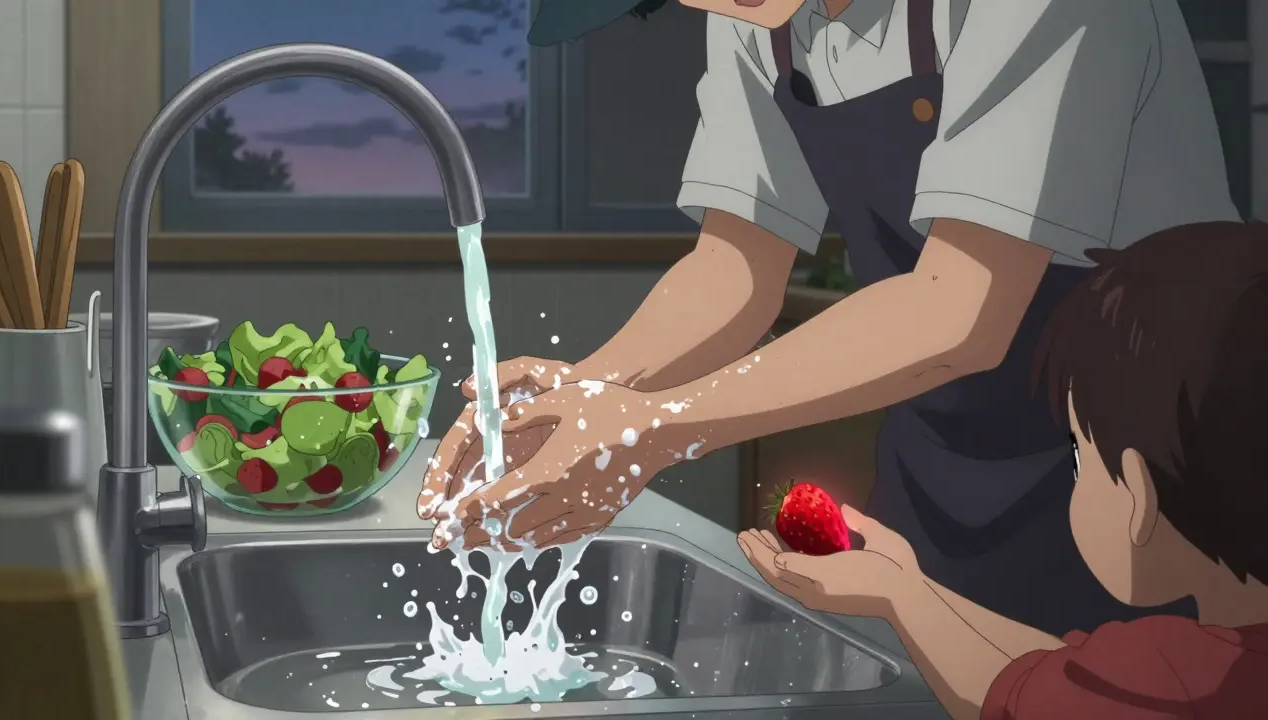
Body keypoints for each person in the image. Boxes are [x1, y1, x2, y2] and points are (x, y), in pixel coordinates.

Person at [420, 0, 1240, 637]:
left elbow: (962, 307)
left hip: (1149, 473)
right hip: (942, 458)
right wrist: (586, 396)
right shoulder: (757, 16)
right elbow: (736, 264)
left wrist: (649, 429)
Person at [738, 220, 1268, 719]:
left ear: (1138, 495)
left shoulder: (1178, 676)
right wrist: (904, 586)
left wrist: (895, 595)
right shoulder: (1205, 656)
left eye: (1079, 451)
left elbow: (1010, 691)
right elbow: (1065, 670)